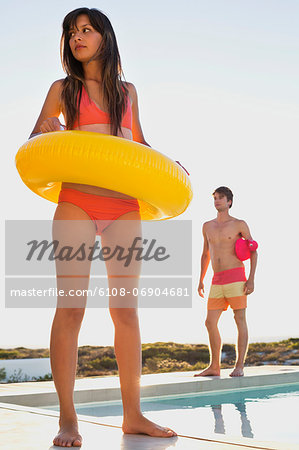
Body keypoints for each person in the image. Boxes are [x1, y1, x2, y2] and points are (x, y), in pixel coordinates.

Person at [29, 7, 176, 447]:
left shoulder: (128, 91)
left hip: (123, 208)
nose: (78, 37)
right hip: (77, 200)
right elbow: (37, 138)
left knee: (125, 312)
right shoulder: (63, 89)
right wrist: (45, 130)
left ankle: (133, 415)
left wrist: (171, 168)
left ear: (104, 37)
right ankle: (68, 419)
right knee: (71, 308)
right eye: (72, 32)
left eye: (86, 30)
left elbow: (140, 145)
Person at [195, 187, 257, 378]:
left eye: (221, 198)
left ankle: (239, 366)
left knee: (239, 319)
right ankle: (214, 366)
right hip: (216, 280)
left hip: (236, 277)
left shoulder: (239, 224)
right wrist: (200, 279)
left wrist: (251, 279)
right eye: (215, 198)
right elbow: (205, 254)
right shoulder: (207, 226)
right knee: (209, 322)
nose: (217, 201)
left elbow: (253, 250)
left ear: (229, 201)